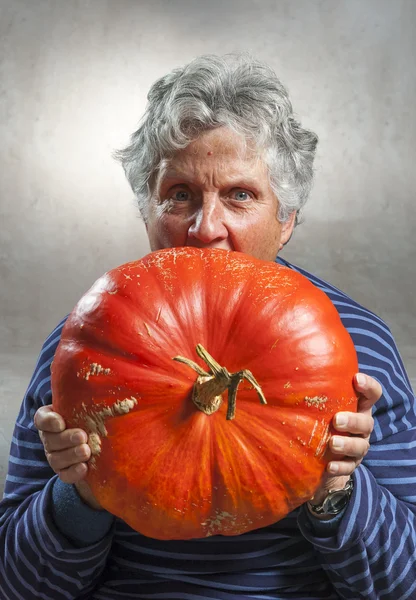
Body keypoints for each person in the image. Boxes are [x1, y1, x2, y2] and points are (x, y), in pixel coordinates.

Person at [1, 54, 415, 600]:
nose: (205, 228)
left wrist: (337, 491)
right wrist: (81, 497)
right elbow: (16, 586)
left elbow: (403, 586)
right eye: (179, 195)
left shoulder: (359, 347)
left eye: (240, 196)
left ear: (285, 218)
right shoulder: (81, 349)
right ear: (147, 209)